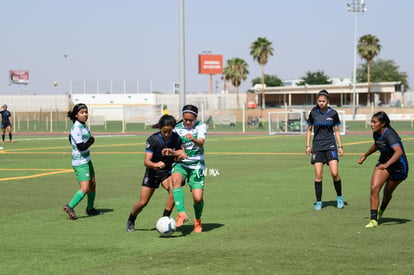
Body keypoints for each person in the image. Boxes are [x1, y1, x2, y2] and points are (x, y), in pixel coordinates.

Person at [125, 114, 186, 232]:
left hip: (167, 173)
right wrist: (155, 164)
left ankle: (165, 218)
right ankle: (131, 219)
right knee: (143, 202)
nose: (167, 134)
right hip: (152, 172)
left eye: (169, 132)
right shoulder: (153, 139)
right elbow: (146, 161)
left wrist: (180, 156)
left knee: (174, 191)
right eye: (164, 132)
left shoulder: (177, 138)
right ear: (160, 128)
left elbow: (180, 154)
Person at [358, 111, 409, 228]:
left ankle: (381, 210)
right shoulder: (376, 133)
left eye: (374, 122)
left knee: (387, 193)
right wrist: (365, 155)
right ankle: (373, 220)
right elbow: (377, 145)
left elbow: (399, 152)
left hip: (399, 167)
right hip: (384, 162)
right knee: (374, 188)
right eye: (371, 121)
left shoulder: (389, 134)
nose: (372, 124)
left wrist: (387, 164)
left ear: (383, 124)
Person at [306, 90, 344, 210]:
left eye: (323, 101)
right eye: (319, 101)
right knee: (318, 175)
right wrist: (307, 145)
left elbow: (337, 130)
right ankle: (318, 202)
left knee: (334, 173)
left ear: (328, 101)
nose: (321, 103)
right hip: (317, 146)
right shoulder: (313, 113)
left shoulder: (333, 113)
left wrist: (340, 146)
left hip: (330, 145)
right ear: (317, 101)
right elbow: (309, 130)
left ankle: (339, 197)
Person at [171, 104, 207, 233]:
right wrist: (178, 153)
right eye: (185, 119)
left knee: (198, 199)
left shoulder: (201, 126)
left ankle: (197, 220)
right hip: (181, 164)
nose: (187, 122)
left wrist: (194, 139)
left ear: (195, 118)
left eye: (190, 120)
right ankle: (181, 214)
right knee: (175, 181)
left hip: (197, 165)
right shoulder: (176, 129)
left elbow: (201, 142)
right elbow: (174, 148)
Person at [63, 103, 101, 220]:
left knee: (93, 184)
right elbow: (81, 147)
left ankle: (90, 208)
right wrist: (92, 140)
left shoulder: (83, 125)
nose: (85, 114)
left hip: (87, 160)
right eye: (82, 112)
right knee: (85, 188)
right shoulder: (76, 128)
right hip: (80, 162)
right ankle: (70, 206)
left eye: (86, 112)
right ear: (76, 115)